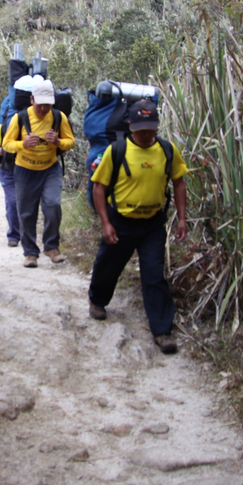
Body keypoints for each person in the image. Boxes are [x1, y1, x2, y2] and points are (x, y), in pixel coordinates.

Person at [87, 99, 188, 354]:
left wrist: (182, 218)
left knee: (154, 275)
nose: (146, 134)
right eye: (140, 128)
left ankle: (162, 331)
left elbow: (179, 182)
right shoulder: (116, 150)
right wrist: (106, 223)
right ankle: (97, 301)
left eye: (150, 128)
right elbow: (99, 188)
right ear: (130, 125)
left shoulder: (167, 150)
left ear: (157, 126)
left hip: (153, 225)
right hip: (120, 221)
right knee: (108, 265)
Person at [2, 76, 75, 268]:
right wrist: (22, 144)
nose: (43, 109)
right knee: (26, 213)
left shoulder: (59, 117)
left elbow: (70, 141)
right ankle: (30, 253)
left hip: (50, 169)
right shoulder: (20, 118)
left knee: (52, 205)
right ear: (32, 100)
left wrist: (58, 142)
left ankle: (51, 247)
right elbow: (6, 145)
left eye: (48, 105)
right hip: (24, 171)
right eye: (40, 104)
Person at [0, 125, 21, 247]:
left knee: (27, 202)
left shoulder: (34, 126)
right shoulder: (2, 128)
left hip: (29, 170)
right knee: (13, 201)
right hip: (7, 170)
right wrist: (9, 149)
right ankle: (14, 235)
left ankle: (28, 234)